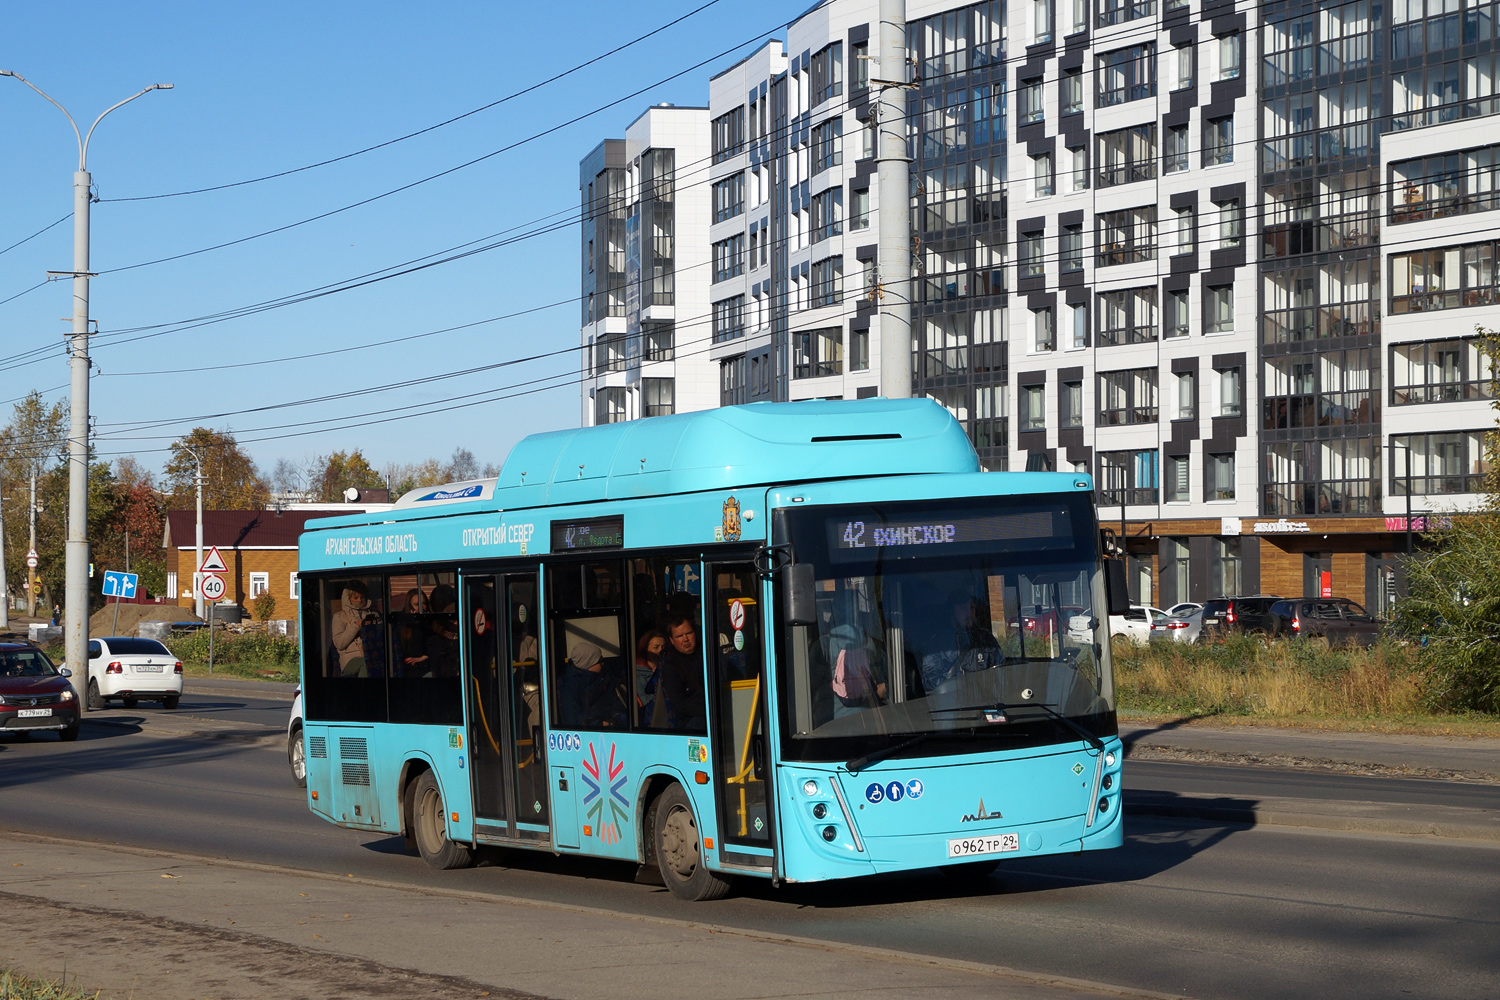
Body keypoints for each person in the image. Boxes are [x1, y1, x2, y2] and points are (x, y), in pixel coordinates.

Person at [919, 590, 1003, 694]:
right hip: (953, 705)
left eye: (971, 608)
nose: (969, 613)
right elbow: (932, 682)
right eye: (963, 608)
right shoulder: (937, 645)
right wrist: (963, 688)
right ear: (951, 612)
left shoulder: (985, 639)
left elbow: (1001, 673)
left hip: (986, 702)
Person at [557, 641, 627, 729]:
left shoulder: (604, 677)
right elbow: (573, 719)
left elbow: (615, 703)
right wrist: (601, 723)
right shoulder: (569, 686)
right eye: (599, 661)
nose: (603, 663)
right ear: (589, 663)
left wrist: (617, 718)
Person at [655, 614, 706, 730]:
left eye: (689, 633)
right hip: (692, 719)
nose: (685, 639)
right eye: (679, 636)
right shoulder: (671, 666)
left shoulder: (707, 654)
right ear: (672, 640)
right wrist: (707, 709)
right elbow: (681, 703)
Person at [331, 581, 373, 676]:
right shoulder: (339, 617)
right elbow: (339, 644)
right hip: (350, 659)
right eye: (356, 598)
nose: (359, 600)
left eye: (362, 597)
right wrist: (356, 626)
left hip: (371, 655)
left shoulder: (372, 615)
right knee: (365, 664)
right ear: (348, 598)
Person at [634, 630, 666, 727]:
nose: (661, 651)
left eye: (663, 647)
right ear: (645, 649)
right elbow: (645, 701)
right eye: (656, 647)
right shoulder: (637, 674)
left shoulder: (668, 668)